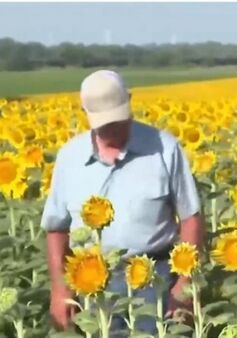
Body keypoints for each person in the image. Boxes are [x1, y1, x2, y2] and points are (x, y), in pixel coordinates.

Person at [41, 70, 203, 336]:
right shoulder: (70, 157)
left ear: (129, 102)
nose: (112, 129)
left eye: (117, 121)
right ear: (86, 114)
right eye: (104, 124)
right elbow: (56, 228)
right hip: (89, 284)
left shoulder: (164, 148)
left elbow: (191, 218)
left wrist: (185, 285)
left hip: (155, 279)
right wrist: (60, 288)